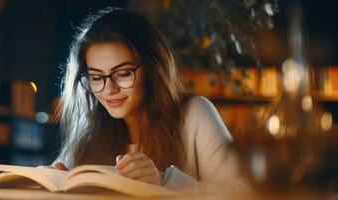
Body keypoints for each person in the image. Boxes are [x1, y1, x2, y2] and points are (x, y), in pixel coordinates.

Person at [49, 7, 248, 194]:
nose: (109, 89)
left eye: (123, 73)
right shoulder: (90, 128)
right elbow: (58, 172)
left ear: (152, 70)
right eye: (96, 77)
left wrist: (164, 182)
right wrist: (56, 176)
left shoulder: (194, 113)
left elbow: (244, 192)